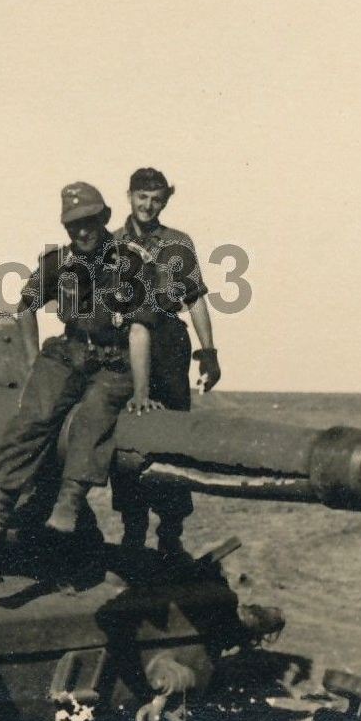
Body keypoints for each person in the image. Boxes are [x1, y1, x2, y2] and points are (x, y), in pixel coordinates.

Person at [0, 182, 160, 553]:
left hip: (114, 359)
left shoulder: (132, 263)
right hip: (70, 351)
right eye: (73, 225)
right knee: (34, 415)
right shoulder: (58, 262)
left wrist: (141, 391)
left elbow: (139, 329)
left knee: (96, 411)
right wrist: (30, 362)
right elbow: (25, 307)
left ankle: (69, 500)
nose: (81, 232)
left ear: (104, 218)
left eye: (88, 222)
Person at [109, 167, 221, 554]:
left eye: (156, 199)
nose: (148, 205)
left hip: (169, 344)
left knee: (173, 438)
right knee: (129, 435)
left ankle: (171, 536)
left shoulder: (178, 243)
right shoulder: (111, 243)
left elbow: (195, 298)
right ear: (129, 196)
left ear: (165, 202)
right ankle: (133, 533)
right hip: (125, 344)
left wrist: (209, 353)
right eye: (142, 197)